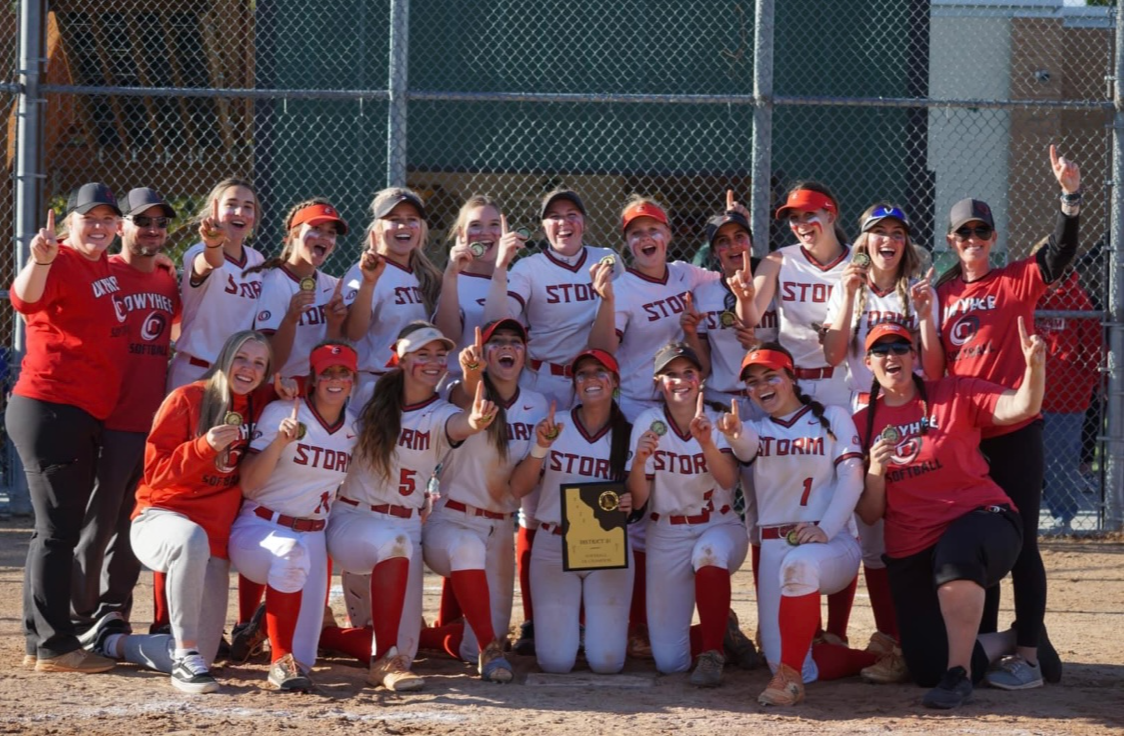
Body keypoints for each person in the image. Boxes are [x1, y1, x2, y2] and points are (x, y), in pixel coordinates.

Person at [853, 320, 1058, 708]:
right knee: (926, 666)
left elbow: (1022, 406)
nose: (891, 355)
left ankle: (958, 676)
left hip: (982, 518)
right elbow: (869, 513)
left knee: (955, 553)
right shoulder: (860, 425)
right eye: (880, 350)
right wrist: (876, 470)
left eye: (900, 347)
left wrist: (1034, 368)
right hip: (912, 544)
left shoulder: (954, 392)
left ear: (914, 356)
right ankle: (1017, 637)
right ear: (868, 362)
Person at [934, 144, 1080, 687]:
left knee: (1024, 545)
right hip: (968, 439)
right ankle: (987, 644)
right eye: (963, 233)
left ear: (993, 239)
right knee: (979, 540)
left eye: (982, 232)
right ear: (951, 240)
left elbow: (1059, 254)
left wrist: (1069, 198)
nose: (973, 240)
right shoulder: (940, 294)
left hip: (1015, 431)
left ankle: (1029, 654)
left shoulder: (1016, 279)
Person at [89, 331, 295, 694]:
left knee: (208, 653)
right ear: (225, 357)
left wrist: (290, 389)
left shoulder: (261, 402)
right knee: (190, 538)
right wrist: (203, 447)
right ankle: (184, 655)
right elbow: (155, 474)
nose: (248, 368)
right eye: (241, 358)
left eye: (258, 363)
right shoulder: (187, 398)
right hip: (160, 519)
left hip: (212, 539)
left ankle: (112, 641)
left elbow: (312, 389)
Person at [323, 321, 496, 691]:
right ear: (401, 360)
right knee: (393, 548)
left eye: (440, 354)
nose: (433, 361)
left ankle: (329, 636)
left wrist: (475, 419)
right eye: (423, 354)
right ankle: (383, 662)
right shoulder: (368, 392)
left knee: (407, 650)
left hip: (405, 529)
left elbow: (462, 423)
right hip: (353, 519)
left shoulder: (439, 412)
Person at [483, 187, 619, 654]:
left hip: (590, 383)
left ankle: (587, 618)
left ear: (585, 221)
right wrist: (500, 265)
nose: (564, 222)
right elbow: (497, 321)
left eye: (572, 214)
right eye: (554, 216)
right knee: (536, 505)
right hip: (542, 381)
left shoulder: (606, 258)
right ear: (542, 226)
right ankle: (535, 620)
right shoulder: (528, 268)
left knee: (588, 491)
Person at [819, 202, 942, 682]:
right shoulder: (847, 285)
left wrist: (926, 314)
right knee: (866, 532)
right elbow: (833, 356)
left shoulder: (917, 290)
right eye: (878, 232)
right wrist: (849, 295)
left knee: (908, 522)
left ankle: (907, 638)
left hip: (911, 412)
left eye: (897, 232)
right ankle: (871, 635)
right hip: (863, 411)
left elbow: (934, 370)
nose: (887, 240)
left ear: (906, 242)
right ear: (864, 241)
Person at [7, 183, 127, 674]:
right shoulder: (57, 260)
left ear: (117, 225)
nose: (98, 227)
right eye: (88, 218)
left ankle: (39, 640)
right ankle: (55, 646)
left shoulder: (105, 266)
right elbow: (24, 299)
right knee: (57, 532)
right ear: (70, 222)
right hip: (51, 407)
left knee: (53, 531)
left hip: (75, 411)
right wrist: (39, 260)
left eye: (107, 219)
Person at [716, 344, 873, 706]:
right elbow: (744, 445)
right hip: (776, 546)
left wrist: (826, 529)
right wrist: (733, 433)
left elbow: (852, 478)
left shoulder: (832, 416)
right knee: (786, 658)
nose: (762, 385)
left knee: (800, 565)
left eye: (771, 376)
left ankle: (790, 682)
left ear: (791, 377)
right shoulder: (755, 429)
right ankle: (868, 660)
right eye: (753, 381)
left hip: (830, 542)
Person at [72, 188, 181, 639]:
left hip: (151, 422)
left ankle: (113, 611)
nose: (152, 230)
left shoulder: (167, 280)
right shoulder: (105, 271)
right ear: (122, 227)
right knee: (96, 523)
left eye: (160, 223)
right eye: (142, 221)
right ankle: (79, 617)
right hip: (108, 417)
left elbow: (177, 330)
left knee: (133, 522)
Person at [420, 318, 549, 682]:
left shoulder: (537, 403)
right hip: (452, 520)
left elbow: (520, 489)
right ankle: (428, 638)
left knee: (475, 644)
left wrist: (540, 448)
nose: (507, 346)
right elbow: (466, 400)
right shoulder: (460, 389)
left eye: (515, 341)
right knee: (467, 550)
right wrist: (472, 374)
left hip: (500, 528)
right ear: (484, 353)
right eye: (497, 341)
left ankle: (432, 637)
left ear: (525, 353)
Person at [229, 341, 359, 692]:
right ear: (313, 378)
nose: (336, 379)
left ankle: (262, 631)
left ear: (354, 380)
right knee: (289, 554)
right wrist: (278, 444)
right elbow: (249, 485)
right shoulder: (282, 412)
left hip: (313, 534)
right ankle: (278, 661)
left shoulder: (353, 428)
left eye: (344, 372)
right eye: (327, 372)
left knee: (307, 657)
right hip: (261, 525)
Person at [625, 343, 747, 687]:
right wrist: (638, 463)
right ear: (657, 381)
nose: (680, 381)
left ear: (700, 378)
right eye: (671, 374)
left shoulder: (717, 417)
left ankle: (712, 652)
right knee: (670, 662)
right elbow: (639, 500)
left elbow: (729, 480)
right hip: (666, 532)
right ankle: (721, 630)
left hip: (719, 524)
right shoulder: (648, 422)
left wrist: (707, 443)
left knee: (709, 553)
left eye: (688, 373)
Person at [509, 348, 634, 675]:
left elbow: (639, 498)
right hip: (554, 543)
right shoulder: (556, 426)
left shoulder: (628, 432)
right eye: (582, 374)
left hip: (607, 547)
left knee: (607, 662)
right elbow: (518, 488)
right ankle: (568, 635)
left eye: (599, 372)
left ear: (615, 381)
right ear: (574, 383)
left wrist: (631, 501)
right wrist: (541, 447)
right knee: (555, 662)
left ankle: (592, 636)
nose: (591, 379)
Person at [736, 181, 853, 408]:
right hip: (791, 381)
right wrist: (744, 299)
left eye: (809, 214)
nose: (801, 224)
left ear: (830, 216)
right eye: (794, 218)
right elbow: (750, 318)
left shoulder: (858, 261)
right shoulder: (778, 260)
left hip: (842, 379)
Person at [342, 187, 443, 398]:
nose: (404, 226)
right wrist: (368, 283)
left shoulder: (429, 275)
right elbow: (353, 333)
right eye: (394, 219)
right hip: (376, 383)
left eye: (411, 219)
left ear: (421, 228)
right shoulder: (360, 272)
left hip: (421, 383)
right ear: (378, 229)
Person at [168, 178, 263, 390]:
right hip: (195, 371)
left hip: (236, 375)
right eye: (231, 204)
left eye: (248, 207)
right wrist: (213, 245)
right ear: (214, 210)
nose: (240, 212)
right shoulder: (197, 252)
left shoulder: (257, 260)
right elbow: (210, 262)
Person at [1034, 259, 1103, 532]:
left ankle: (1063, 517)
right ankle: (1019, 516)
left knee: (1060, 460)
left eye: (1055, 264)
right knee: (1022, 459)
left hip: (1066, 395)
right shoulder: (1028, 295)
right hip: (1024, 394)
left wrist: (1095, 382)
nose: (1049, 271)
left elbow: (1093, 347)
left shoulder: (1078, 299)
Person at [249, 198, 349, 377]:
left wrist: (334, 325)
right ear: (294, 233)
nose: (324, 237)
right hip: (282, 386)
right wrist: (291, 318)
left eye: (331, 232)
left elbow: (334, 357)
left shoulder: (333, 286)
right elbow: (270, 365)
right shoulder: (274, 284)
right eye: (316, 228)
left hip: (319, 386)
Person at [433, 195, 521, 386]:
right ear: (461, 233)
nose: (485, 233)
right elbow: (447, 339)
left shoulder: (518, 280)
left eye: (494, 225)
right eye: (475, 225)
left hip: (510, 387)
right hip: (462, 385)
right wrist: (450, 275)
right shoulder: (452, 280)